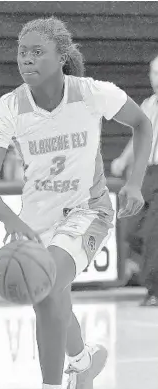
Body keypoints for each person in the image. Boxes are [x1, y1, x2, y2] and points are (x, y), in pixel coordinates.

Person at [0, 17, 152, 389]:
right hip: (36, 220)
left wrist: (133, 183)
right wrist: (13, 222)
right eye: (22, 52)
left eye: (37, 52)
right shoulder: (10, 106)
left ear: (60, 57)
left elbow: (143, 124)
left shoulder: (91, 93)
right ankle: (83, 358)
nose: (27, 59)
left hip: (87, 211)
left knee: (51, 284)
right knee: (47, 300)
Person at [111, 54, 158, 306]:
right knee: (131, 228)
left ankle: (154, 290)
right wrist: (123, 159)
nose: (156, 79)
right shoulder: (148, 104)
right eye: (153, 73)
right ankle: (147, 274)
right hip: (147, 173)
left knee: (154, 233)